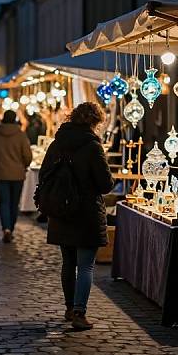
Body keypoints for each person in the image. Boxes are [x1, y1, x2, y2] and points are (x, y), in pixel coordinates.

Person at [40, 102, 113, 330]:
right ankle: (80, 313)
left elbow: (43, 174)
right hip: (86, 212)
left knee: (68, 263)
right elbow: (105, 183)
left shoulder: (57, 144)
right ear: (94, 122)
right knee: (85, 266)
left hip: (62, 212)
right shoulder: (92, 146)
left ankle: (70, 308)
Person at [0, 110, 32, 243]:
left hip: (0, 174)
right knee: (14, 202)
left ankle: (6, 228)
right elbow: (27, 155)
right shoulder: (21, 134)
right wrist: (24, 165)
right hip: (17, 174)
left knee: (4, 202)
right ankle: (11, 227)